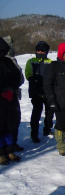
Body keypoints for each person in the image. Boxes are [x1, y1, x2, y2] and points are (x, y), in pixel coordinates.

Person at [0, 37, 23, 165]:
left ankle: (10, 150)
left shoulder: (8, 62)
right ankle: (1, 153)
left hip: (10, 98)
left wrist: (12, 88)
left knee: (10, 125)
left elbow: (17, 76)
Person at [25, 41, 54, 143]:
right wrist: (33, 79)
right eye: (39, 50)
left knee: (49, 112)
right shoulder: (31, 61)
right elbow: (28, 73)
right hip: (36, 90)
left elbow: (53, 74)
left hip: (47, 90)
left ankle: (47, 129)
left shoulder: (50, 62)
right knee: (36, 112)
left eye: (43, 50)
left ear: (46, 51)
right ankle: (34, 133)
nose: (41, 52)